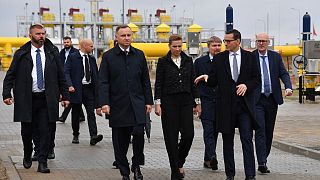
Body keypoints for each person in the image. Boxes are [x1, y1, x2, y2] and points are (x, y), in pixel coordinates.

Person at [2, 23, 70, 173]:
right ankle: (27, 152)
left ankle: (42, 161)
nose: (41, 36)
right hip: (27, 99)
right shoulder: (21, 53)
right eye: (38, 34)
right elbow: (10, 76)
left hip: (47, 98)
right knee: (27, 130)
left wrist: (65, 96)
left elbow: (61, 76)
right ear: (30, 35)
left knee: (46, 130)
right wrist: (7, 94)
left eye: (43, 33)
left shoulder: (52, 52)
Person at [194, 29, 260, 180]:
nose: (225, 44)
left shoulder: (250, 57)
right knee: (227, 142)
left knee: (246, 140)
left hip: (244, 107)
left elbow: (257, 79)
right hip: (225, 107)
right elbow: (214, 80)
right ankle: (230, 175)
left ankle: (250, 175)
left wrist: (246, 86)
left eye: (228, 41)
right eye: (225, 41)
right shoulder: (220, 59)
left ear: (237, 41)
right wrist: (206, 78)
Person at [99, 25, 153, 180]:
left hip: (137, 104)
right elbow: (103, 82)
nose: (127, 38)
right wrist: (104, 102)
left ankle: (136, 165)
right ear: (116, 37)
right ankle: (124, 171)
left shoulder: (139, 55)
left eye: (129, 35)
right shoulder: (108, 56)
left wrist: (148, 101)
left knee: (138, 135)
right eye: (123, 35)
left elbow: (145, 80)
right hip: (117, 105)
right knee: (120, 141)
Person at [154, 34, 201, 180]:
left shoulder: (188, 60)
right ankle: (175, 171)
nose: (177, 49)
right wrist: (158, 103)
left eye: (180, 46)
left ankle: (179, 162)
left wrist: (197, 103)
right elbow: (159, 84)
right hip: (169, 102)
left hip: (186, 101)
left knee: (188, 135)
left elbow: (193, 83)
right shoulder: (163, 62)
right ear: (169, 46)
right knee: (171, 137)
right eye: (174, 46)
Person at [253, 33, 292, 173]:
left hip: (272, 99)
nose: (261, 43)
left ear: (268, 42)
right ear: (255, 42)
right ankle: (261, 162)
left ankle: (264, 157)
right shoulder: (251, 58)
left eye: (263, 41)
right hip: (257, 100)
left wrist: (288, 87)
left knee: (269, 131)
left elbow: (283, 73)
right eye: (259, 41)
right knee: (260, 130)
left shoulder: (275, 57)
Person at [64, 39, 103, 145]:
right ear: (84, 46)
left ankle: (93, 136)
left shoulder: (91, 58)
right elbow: (66, 72)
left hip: (89, 89)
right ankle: (75, 134)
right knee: (76, 114)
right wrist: (70, 85)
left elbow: (96, 74)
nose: (93, 48)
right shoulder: (73, 57)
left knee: (91, 113)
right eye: (91, 46)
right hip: (76, 89)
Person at [194, 36, 222, 170]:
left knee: (215, 131)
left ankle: (207, 158)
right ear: (208, 46)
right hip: (205, 101)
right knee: (208, 130)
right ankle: (212, 156)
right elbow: (194, 84)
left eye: (219, 45)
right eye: (214, 45)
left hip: (220, 102)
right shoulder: (200, 63)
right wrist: (197, 103)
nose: (217, 48)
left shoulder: (224, 60)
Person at [58, 36, 85, 123]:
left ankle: (63, 117)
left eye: (68, 42)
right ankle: (81, 116)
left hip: (73, 77)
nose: (66, 44)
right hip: (64, 75)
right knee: (74, 98)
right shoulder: (61, 53)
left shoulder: (76, 52)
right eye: (65, 42)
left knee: (71, 97)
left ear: (71, 42)